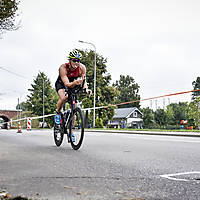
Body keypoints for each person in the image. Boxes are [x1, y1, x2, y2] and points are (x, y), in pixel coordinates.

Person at [55, 49, 91, 126]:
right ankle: (58, 112)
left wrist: (86, 89)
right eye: (74, 60)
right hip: (62, 83)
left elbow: (83, 81)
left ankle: (71, 132)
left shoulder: (82, 68)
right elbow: (67, 84)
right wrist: (75, 83)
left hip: (73, 83)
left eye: (78, 60)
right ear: (70, 60)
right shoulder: (63, 68)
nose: (76, 62)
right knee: (64, 97)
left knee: (74, 111)